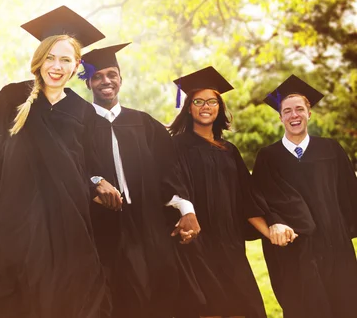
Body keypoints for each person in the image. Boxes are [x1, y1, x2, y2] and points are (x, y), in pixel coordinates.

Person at [0, 6, 109, 318]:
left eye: (66, 59)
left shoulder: (83, 112)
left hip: (67, 219)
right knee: (20, 297)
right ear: (39, 58)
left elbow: (87, 165)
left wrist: (98, 182)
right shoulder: (12, 97)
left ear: (77, 65)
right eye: (50, 57)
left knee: (67, 296)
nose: (57, 66)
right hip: (17, 217)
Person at [78, 42, 199, 317]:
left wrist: (185, 208)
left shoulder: (144, 123)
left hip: (149, 225)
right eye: (97, 76)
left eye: (112, 74)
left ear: (121, 78)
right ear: (88, 83)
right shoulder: (78, 125)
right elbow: (72, 169)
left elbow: (169, 172)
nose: (106, 81)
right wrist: (93, 182)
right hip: (103, 230)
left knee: (160, 296)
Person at [169, 66, 279, 318]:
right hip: (195, 244)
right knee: (207, 308)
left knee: (244, 306)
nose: (205, 106)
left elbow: (247, 197)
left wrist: (269, 231)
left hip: (230, 245)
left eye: (212, 101)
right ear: (188, 107)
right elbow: (169, 186)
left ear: (219, 107)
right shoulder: (175, 146)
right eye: (198, 101)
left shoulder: (229, 151)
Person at [252, 75, 357, 318]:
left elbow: (349, 194)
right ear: (280, 118)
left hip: (335, 247)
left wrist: (342, 231)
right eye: (287, 111)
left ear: (309, 113)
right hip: (294, 252)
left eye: (300, 109)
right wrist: (274, 223)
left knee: (345, 306)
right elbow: (258, 200)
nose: (294, 115)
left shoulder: (331, 149)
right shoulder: (268, 157)